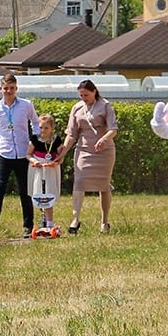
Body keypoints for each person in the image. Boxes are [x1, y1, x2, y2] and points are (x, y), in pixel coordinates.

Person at [0, 73, 40, 242]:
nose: (8, 91)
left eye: (12, 88)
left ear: (16, 89)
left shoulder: (26, 105)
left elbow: (36, 122)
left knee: (24, 190)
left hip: (22, 153)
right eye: (5, 88)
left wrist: (34, 141)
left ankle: (28, 226)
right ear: (1, 89)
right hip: (3, 152)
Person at [61, 79, 118, 234]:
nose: (83, 98)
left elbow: (113, 129)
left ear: (94, 92)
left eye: (86, 95)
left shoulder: (105, 105)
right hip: (83, 151)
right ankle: (75, 219)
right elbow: (71, 134)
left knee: (104, 186)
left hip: (104, 152)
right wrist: (62, 153)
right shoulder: (77, 108)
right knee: (79, 182)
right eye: (81, 95)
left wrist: (104, 138)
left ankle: (104, 222)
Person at [27, 114, 66, 231]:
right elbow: (28, 154)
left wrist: (56, 163)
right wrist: (35, 161)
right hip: (37, 169)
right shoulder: (34, 139)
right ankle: (42, 218)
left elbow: (61, 156)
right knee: (39, 193)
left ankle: (49, 223)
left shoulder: (56, 140)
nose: (43, 130)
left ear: (52, 128)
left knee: (49, 194)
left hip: (51, 169)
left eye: (46, 128)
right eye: (40, 128)